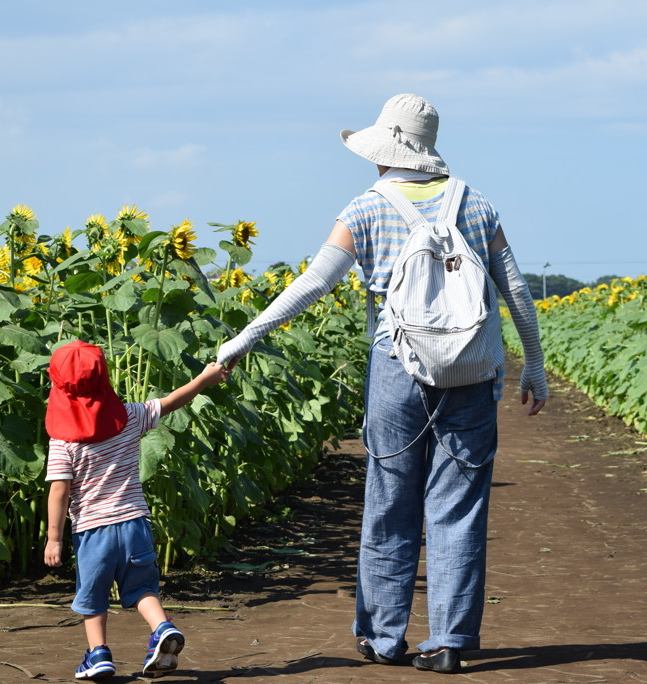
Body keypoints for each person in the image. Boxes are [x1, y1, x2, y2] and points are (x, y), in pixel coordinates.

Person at [217, 93, 548, 675]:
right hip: (473, 368)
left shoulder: (366, 208)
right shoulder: (477, 205)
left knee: (390, 502)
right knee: (460, 507)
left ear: (383, 152)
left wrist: (247, 336)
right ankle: (449, 641)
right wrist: (535, 366)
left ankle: (382, 637)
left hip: (398, 366)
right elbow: (516, 289)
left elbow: (315, 282)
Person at [44, 340, 229, 679]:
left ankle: (98, 654)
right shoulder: (130, 416)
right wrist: (206, 377)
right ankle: (161, 627)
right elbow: (173, 401)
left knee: (93, 598)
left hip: (92, 531)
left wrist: (54, 539)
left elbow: (59, 492)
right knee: (141, 589)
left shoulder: (63, 441)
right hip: (134, 524)